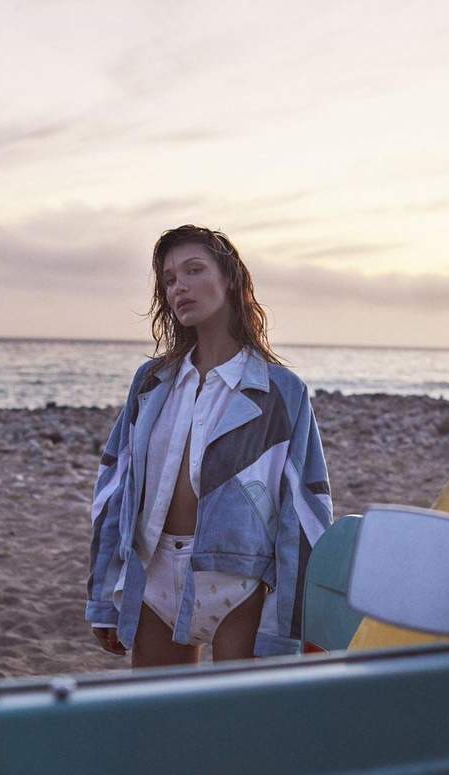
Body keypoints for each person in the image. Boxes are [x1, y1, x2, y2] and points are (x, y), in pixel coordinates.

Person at [86, 224, 332, 667]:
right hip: (154, 571)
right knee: (159, 706)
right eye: (169, 280)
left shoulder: (279, 390)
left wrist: (293, 622)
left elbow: (305, 509)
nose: (178, 287)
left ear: (230, 279)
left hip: (237, 579)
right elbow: (115, 487)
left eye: (194, 270)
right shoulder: (152, 383)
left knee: (235, 709)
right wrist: (104, 595)